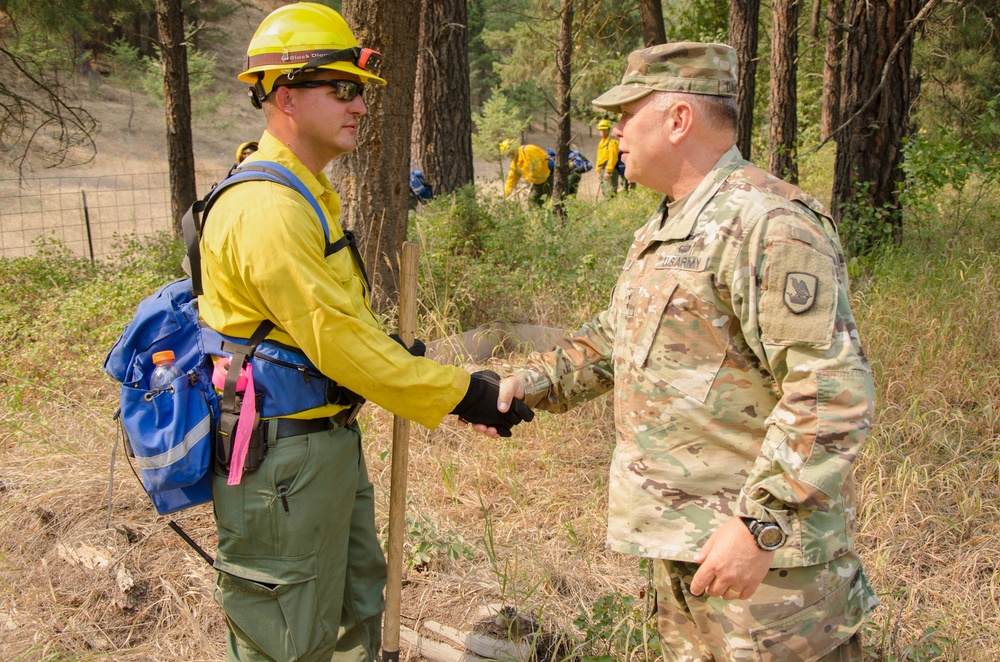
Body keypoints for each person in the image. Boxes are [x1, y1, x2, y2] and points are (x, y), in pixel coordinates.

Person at [483, 42, 879, 660]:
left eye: (626, 112)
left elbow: (830, 391)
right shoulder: (671, 223)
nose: (613, 129)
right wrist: (528, 382)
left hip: (765, 570)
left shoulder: (768, 222)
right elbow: (623, 336)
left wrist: (761, 525)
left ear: (677, 119)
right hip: (688, 545)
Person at [200, 4, 531, 660]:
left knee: (355, 615)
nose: (360, 106)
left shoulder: (302, 192)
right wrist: (460, 392)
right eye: (343, 89)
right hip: (277, 461)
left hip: (321, 446)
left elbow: (337, 329)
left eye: (361, 91)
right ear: (286, 96)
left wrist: (400, 360)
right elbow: (340, 346)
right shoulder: (268, 209)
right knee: (287, 640)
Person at [502, 140, 552, 207]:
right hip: (538, 183)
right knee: (532, 202)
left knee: (555, 201)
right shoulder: (515, 163)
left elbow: (536, 167)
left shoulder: (528, 150)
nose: (509, 155)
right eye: (507, 154)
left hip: (551, 177)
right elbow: (511, 180)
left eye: (509, 152)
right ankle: (538, 217)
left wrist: (528, 180)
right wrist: (506, 194)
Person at [595, 118, 620, 198]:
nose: (602, 131)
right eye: (600, 130)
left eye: (604, 129)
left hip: (609, 169)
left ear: (608, 130)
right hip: (602, 169)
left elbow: (613, 157)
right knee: (605, 190)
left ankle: (613, 208)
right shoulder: (602, 142)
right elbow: (599, 157)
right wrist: (598, 170)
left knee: (610, 191)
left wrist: (608, 171)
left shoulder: (612, 142)